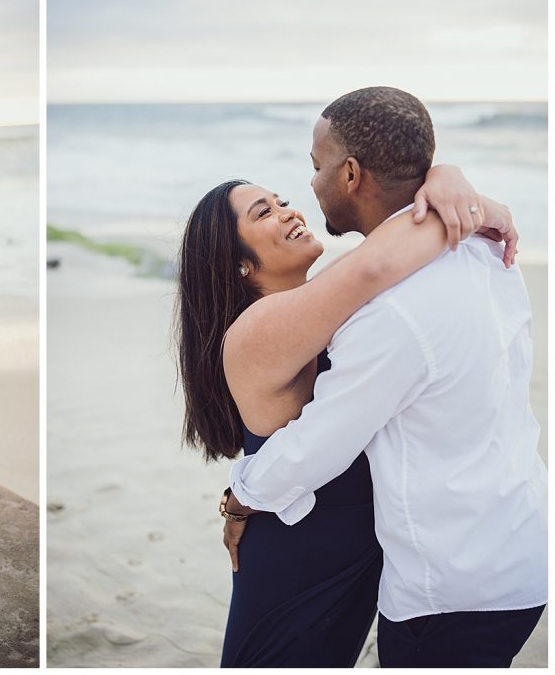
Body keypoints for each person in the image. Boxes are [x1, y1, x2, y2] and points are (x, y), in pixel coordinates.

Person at [224, 87, 546, 667]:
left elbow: (321, 442)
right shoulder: (484, 249)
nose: (309, 187)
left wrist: (241, 496)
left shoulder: (389, 311)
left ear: (350, 174)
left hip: (453, 581)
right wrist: (458, 184)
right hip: (519, 541)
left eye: (316, 167)